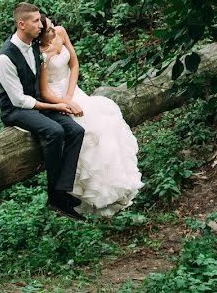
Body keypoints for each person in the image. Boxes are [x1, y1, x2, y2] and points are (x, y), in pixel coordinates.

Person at [37, 14, 143, 216]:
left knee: (107, 119)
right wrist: (64, 102)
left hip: (72, 91)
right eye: (49, 29)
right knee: (89, 131)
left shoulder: (61, 32)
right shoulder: (39, 53)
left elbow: (74, 64)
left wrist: (70, 95)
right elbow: (44, 92)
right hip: (55, 98)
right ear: (40, 35)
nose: (54, 30)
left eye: (52, 26)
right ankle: (83, 194)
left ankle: (117, 184)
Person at [0, 2, 86, 221]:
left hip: (36, 103)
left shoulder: (33, 43)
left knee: (76, 130)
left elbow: (54, 44)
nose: (40, 24)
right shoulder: (5, 58)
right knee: (55, 131)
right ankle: (54, 196)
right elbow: (19, 100)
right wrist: (56, 106)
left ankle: (63, 190)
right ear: (21, 24)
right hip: (15, 109)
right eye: (35, 21)